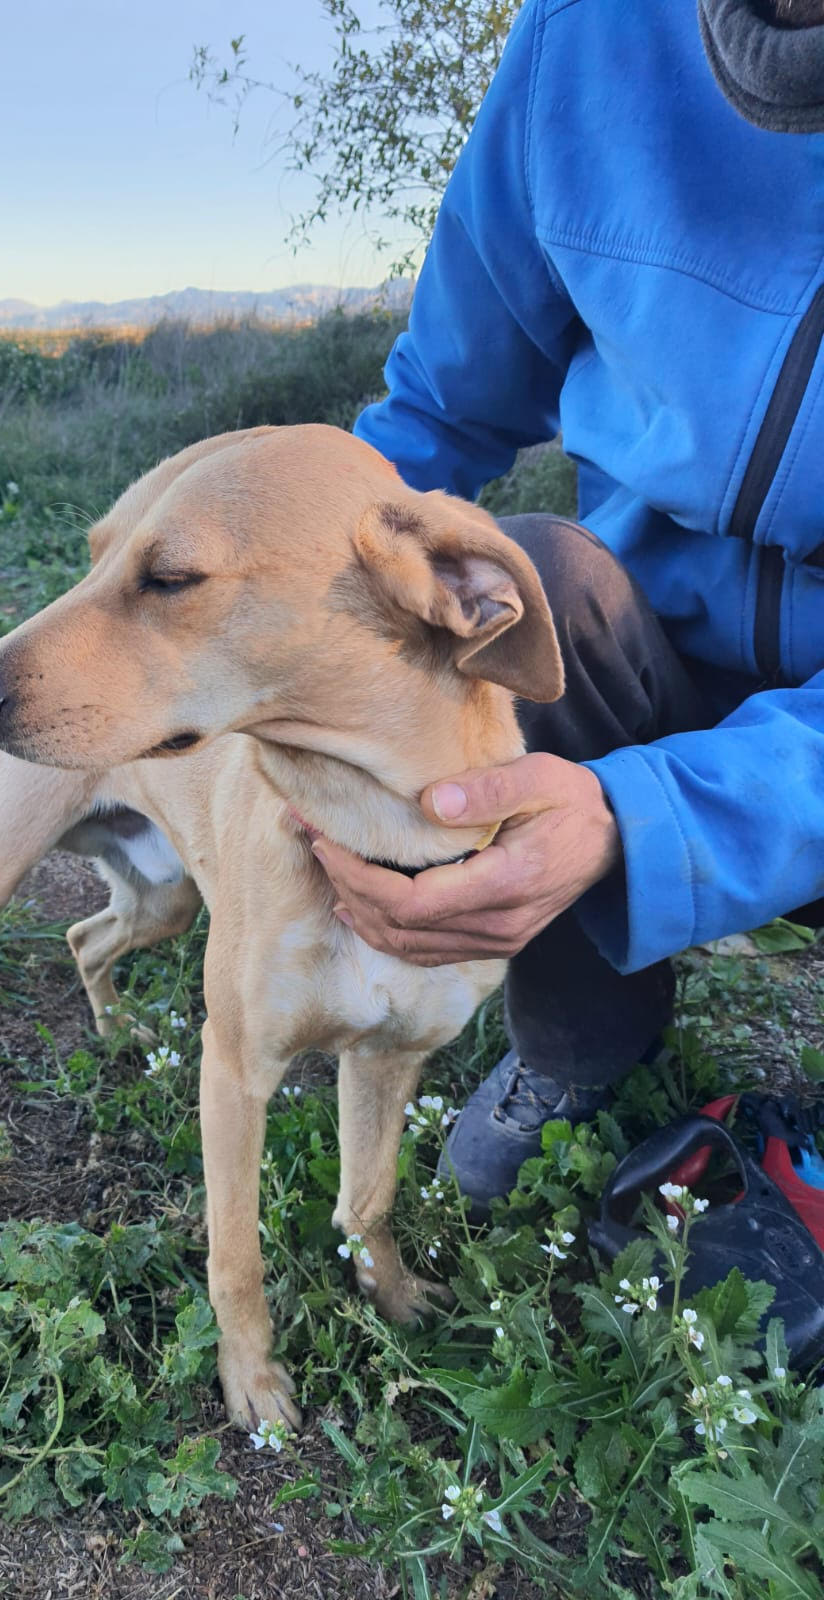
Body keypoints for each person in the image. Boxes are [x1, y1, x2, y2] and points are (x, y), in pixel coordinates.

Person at [309, 0, 824, 1215]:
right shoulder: (585, 35)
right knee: (547, 576)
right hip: (645, 656)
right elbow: (437, 410)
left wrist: (643, 816)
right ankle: (580, 1048)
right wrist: (278, 609)